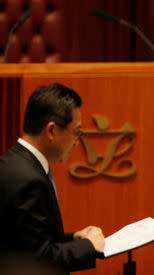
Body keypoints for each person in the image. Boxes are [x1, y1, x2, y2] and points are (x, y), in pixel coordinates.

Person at [0, 83, 105, 273]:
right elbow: (39, 260)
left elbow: (24, 243)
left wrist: (74, 238)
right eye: (76, 132)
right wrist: (89, 246)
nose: (76, 142)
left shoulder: (11, 163)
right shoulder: (30, 181)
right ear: (52, 130)